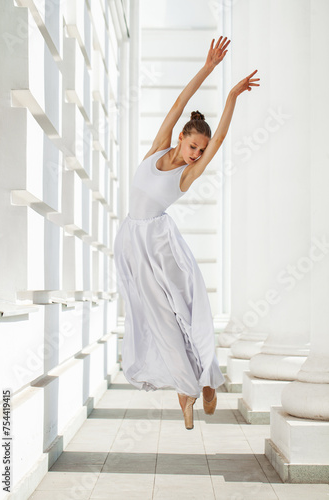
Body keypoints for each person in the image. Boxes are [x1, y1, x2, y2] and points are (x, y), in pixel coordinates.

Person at [114, 36, 260, 430]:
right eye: (194, 146)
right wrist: (208, 68)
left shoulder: (187, 174)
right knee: (157, 318)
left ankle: (207, 382)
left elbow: (222, 140)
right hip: (132, 241)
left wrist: (231, 96)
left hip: (161, 246)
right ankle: (187, 389)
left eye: (201, 151)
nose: (197, 154)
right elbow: (179, 103)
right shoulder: (157, 149)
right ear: (181, 137)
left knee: (185, 312)